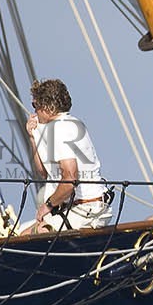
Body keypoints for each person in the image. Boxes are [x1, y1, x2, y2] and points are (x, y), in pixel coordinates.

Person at [26, 78, 112, 232]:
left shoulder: (61, 129)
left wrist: (48, 206)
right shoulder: (63, 125)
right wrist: (33, 137)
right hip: (77, 208)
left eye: (35, 105)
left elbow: (70, 180)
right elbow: (44, 173)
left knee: (25, 238)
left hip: (85, 210)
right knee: (22, 233)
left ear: (46, 107)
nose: (34, 111)